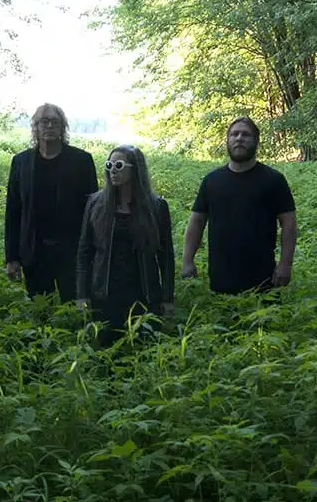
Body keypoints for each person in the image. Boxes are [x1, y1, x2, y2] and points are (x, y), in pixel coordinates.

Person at [181, 117, 297, 295]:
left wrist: (285, 264)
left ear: (256, 141)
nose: (239, 138)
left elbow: (289, 224)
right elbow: (196, 222)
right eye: (234, 134)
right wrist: (187, 260)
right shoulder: (212, 181)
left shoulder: (274, 180)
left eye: (246, 135)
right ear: (227, 140)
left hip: (263, 280)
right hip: (220, 279)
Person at [76, 145, 175, 346]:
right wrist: (82, 294)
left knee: (142, 351)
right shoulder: (96, 204)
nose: (112, 169)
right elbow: (84, 253)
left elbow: (166, 258)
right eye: (109, 165)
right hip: (104, 294)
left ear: (135, 169)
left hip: (144, 295)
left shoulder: (156, 207)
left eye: (119, 165)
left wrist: (167, 298)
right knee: (106, 353)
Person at [5, 103, 98, 303]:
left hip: (72, 252)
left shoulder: (81, 160)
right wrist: (12, 258)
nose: (49, 126)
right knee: (40, 310)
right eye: (43, 122)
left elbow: (93, 211)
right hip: (34, 252)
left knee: (76, 308)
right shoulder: (21, 162)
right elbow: (13, 211)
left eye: (55, 122)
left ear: (63, 128)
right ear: (35, 127)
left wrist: (93, 251)